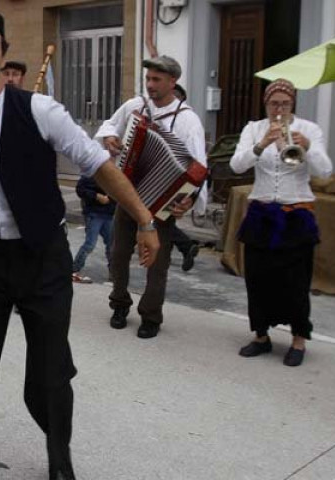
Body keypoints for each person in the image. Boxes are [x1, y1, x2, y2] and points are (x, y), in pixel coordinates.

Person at [0, 12, 159, 480]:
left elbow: (96, 162)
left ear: (2, 55)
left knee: (47, 377)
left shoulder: (40, 111)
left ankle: (59, 457)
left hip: (42, 260)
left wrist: (144, 218)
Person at [95, 55, 207, 339]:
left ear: (172, 82)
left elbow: (198, 167)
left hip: (162, 202)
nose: (150, 85)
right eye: (148, 79)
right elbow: (109, 125)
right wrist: (109, 138)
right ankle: (119, 304)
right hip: (129, 194)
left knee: (157, 263)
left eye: (157, 79)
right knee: (118, 254)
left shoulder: (187, 120)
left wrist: (189, 200)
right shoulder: (135, 107)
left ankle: (151, 316)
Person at [230, 78, 332, 367]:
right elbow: (237, 165)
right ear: (266, 104)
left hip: (295, 213)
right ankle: (261, 336)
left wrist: (308, 146)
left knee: (296, 283)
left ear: (293, 103)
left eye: (285, 103)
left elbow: (324, 170)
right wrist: (261, 145)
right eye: (274, 103)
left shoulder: (310, 129)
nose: (279, 109)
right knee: (258, 279)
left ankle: (298, 339)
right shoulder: (254, 129)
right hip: (262, 213)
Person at [168, 83, 200, 272]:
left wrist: (192, 195)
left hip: (179, 180)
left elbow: (198, 163)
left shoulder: (190, 122)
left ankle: (184, 246)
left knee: (161, 220)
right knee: (162, 221)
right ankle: (184, 246)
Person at [71, 174, 115, 283]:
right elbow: (80, 189)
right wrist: (96, 196)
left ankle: (113, 273)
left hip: (109, 214)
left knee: (111, 244)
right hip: (94, 213)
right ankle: (74, 269)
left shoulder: (117, 169)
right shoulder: (92, 172)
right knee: (90, 244)